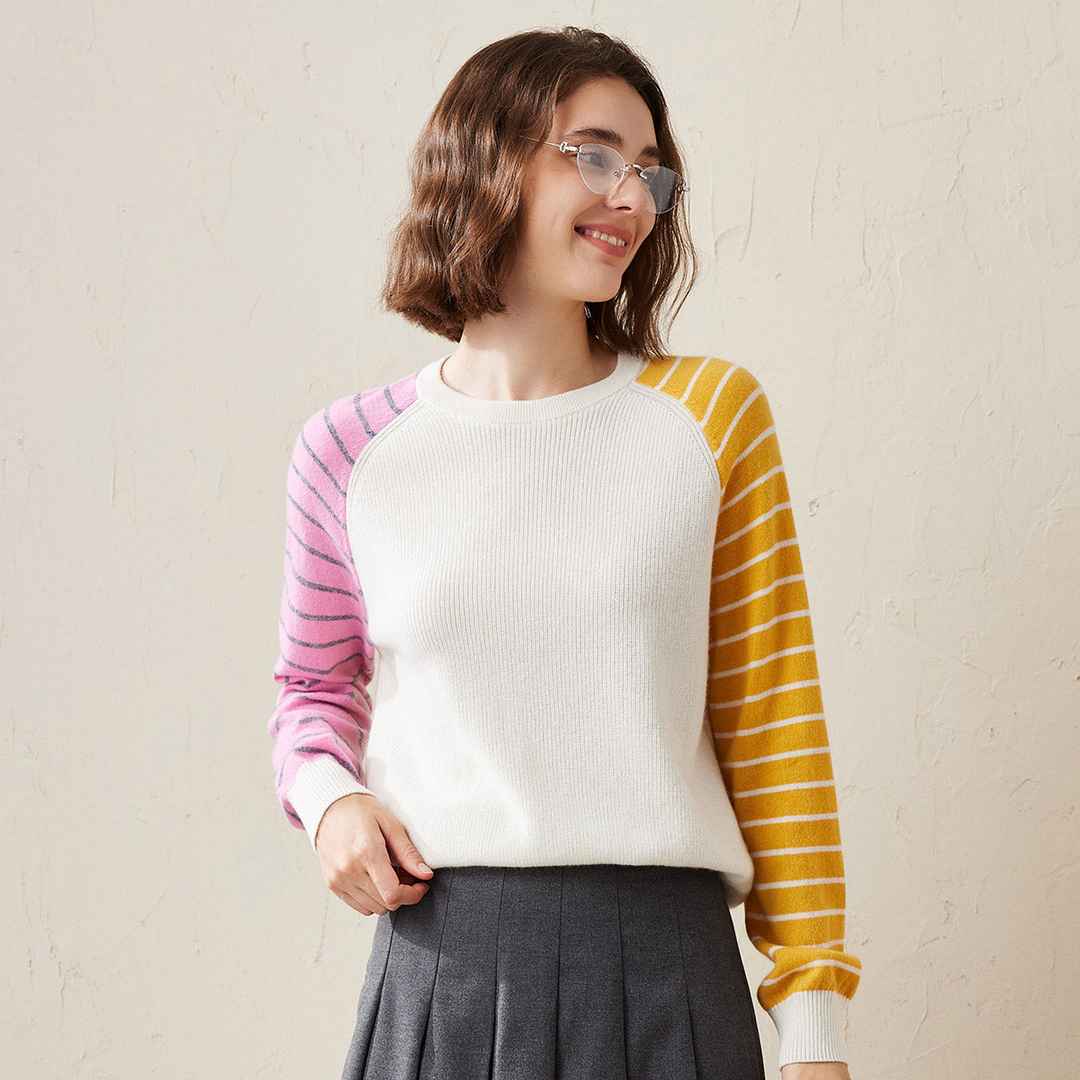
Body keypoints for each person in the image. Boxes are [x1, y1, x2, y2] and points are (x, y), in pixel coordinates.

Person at [268, 25, 862, 1080]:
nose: (631, 197)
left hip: (668, 977)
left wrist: (814, 1027)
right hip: (440, 976)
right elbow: (312, 690)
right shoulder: (350, 451)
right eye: (593, 155)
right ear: (485, 160)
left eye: (650, 172)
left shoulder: (710, 418)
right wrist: (330, 804)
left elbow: (774, 721)